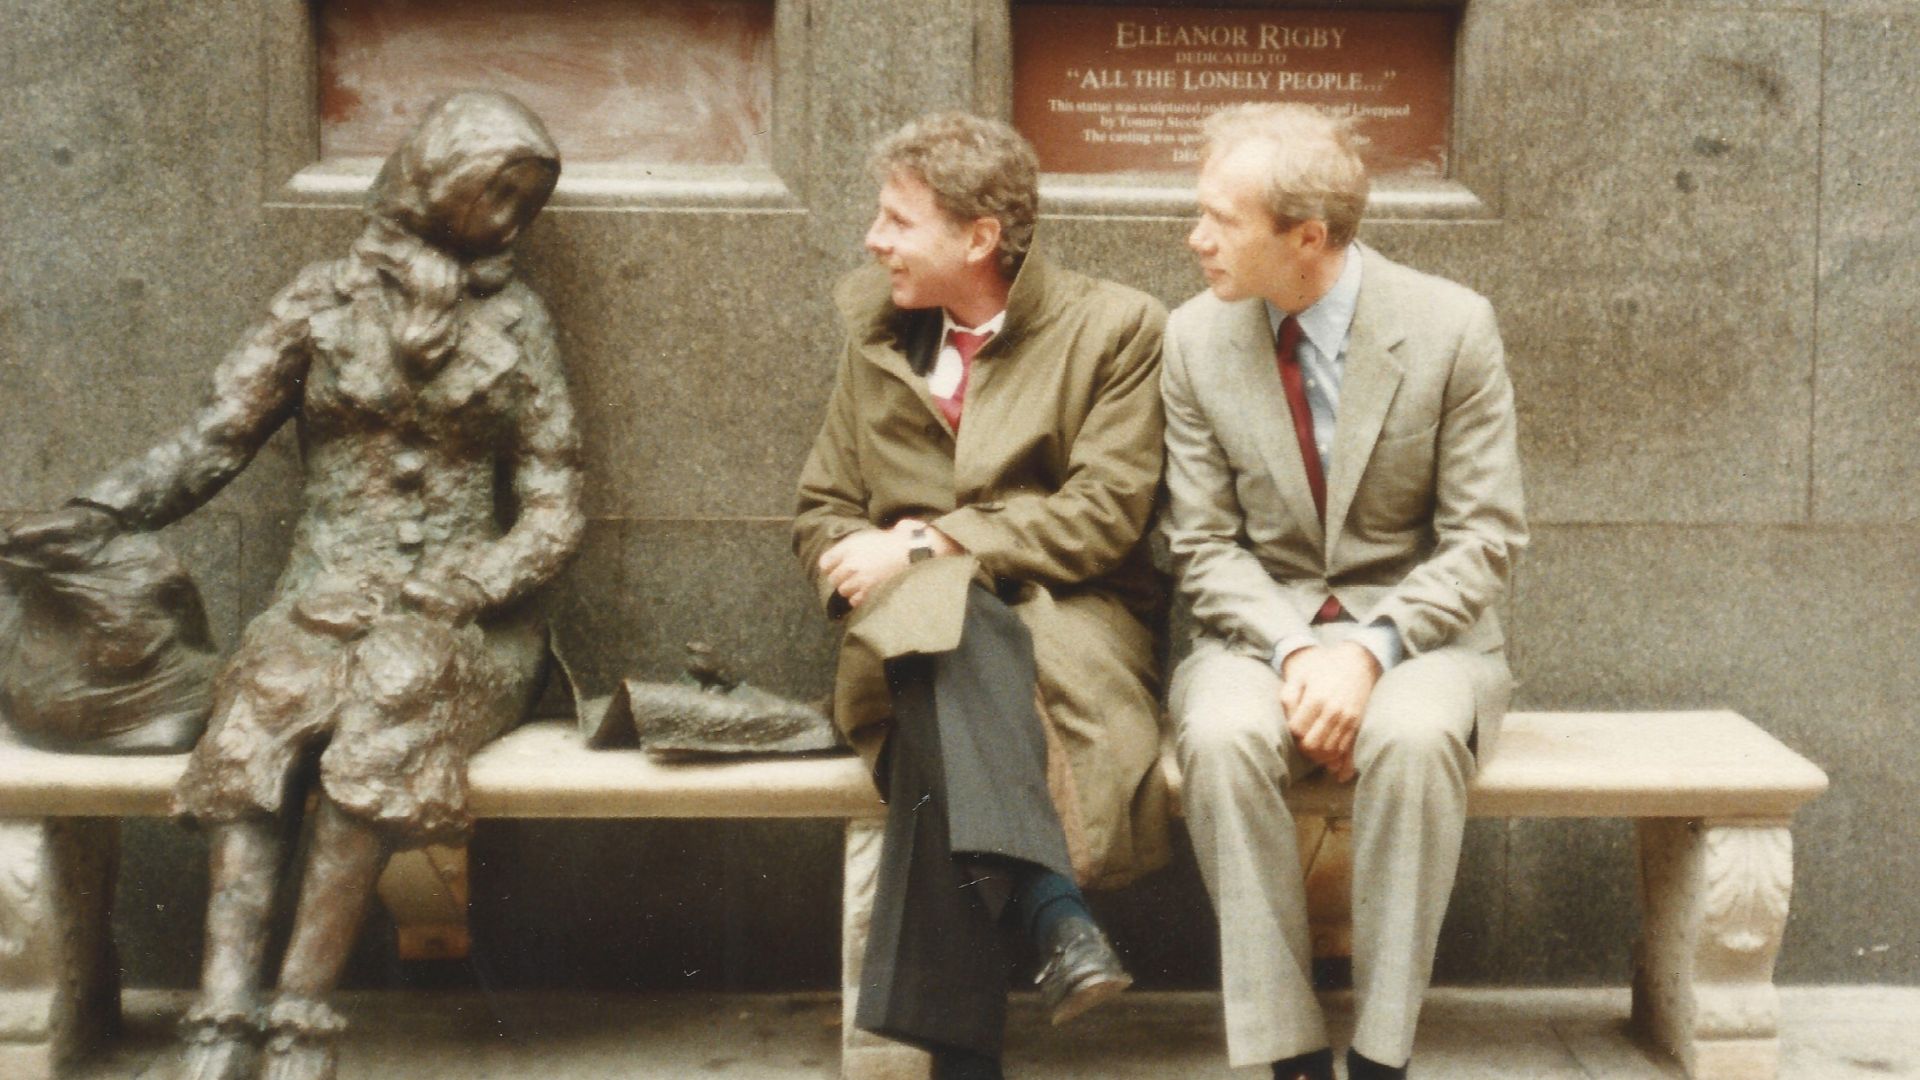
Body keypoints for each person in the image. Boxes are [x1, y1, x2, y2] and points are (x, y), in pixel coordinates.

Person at [2, 92, 583, 1080]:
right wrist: (95, 513)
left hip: (472, 628)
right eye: (502, 195)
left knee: (390, 697)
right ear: (437, 180)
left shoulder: (520, 320)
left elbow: (558, 504)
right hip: (319, 597)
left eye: (528, 204)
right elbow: (211, 441)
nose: (515, 225)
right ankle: (222, 1017)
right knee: (267, 694)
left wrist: (473, 582)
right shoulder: (319, 301)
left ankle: (302, 1021)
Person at [792, 112, 1169, 1080]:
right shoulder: (877, 337)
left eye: (896, 221)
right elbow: (824, 506)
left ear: (979, 238)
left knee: (937, 649)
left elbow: (1104, 515)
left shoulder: (1116, 327)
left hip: (1070, 625)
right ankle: (1055, 919)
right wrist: (849, 555)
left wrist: (929, 542)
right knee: (933, 630)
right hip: (905, 636)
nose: (874, 242)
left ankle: (970, 1054)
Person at [1161, 103, 1527, 1080]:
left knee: (1409, 742)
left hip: (1423, 637)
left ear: (1307, 238)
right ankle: (1286, 1050)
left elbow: (1486, 535)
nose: (1195, 239)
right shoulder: (1194, 339)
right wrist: (1295, 653)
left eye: (1218, 219)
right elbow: (1200, 543)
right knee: (1223, 737)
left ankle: (1379, 1056)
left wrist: (1369, 651)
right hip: (1256, 633)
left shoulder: (1452, 328)